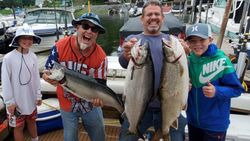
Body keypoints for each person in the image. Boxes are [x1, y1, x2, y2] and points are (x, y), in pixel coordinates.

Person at [118, 1, 186, 141]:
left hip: (167, 105)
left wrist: (186, 54)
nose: (153, 17)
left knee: (177, 137)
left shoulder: (172, 42)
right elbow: (124, 63)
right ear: (142, 19)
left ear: (162, 18)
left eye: (157, 14)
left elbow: (183, 71)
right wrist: (126, 54)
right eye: (149, 14)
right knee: (126, 137)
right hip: (140, 105)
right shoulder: (133, 40)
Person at [42, 12, 107, 141]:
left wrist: (99, 100)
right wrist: (47, 78)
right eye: (85, 26)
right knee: (70, 137)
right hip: (67, 103)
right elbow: (47, 71)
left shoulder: (101, 57)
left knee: (99, 135)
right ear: (77, 27)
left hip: (90, 105)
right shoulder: (59, 47)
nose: (89, 31)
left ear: (97, 34)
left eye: (94, 29)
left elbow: (101, 86)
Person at [185, 23, 245, 141]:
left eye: (202, 40)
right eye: (192, 41)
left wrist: (217, 91)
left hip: (215, 126)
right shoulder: (188, 60)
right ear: (187, 43)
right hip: (192, 121)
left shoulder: (222, 61)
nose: (197, 44)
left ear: (210, 39)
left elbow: (237, 89)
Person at [1, 24, 42, 141]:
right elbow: (5, 82)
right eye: (23, 38)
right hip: (16, 102)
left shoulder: (33, 56)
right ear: (17, 39)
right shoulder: (8, 58)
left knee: (32, 121)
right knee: (18, 127)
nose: (27, 41)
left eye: (30, 38)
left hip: (31, 99)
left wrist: (38, 95)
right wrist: (9, 102)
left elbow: (36, 78)